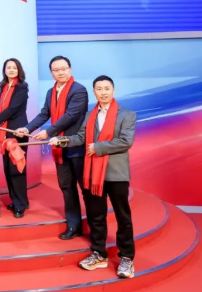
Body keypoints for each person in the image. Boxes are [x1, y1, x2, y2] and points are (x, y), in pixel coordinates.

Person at [49, 75, 137, 279]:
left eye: (107, 88)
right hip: (92, 174)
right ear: (94, 92)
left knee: (123, 217)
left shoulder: (127, 115)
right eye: (99, 89)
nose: (103, 92)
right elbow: (81, 138)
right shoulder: (89, 115)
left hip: (116, 174)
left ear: (113, 91)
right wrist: (61, 140)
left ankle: (126, 257)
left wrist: (97, 147)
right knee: (96, 215)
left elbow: (126, 141)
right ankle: (99, 253)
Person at [16, 56, 88, 240]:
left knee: (85, 188)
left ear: (70, 69)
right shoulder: (51, 92)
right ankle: (74, 225)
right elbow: (44, 114)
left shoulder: (79, 90)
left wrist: (48, 132)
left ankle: (95, 226)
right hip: (59, 147)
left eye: (64, 69)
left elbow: (70, 116)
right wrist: (27, 129)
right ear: (51, 73)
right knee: (67, 187)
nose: (60, 72)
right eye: (56, 70)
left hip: (76, 145)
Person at [0, 58, 29, 218]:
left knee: (16, 168)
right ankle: (17, 200)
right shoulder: (4, 86)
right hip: (4, 131)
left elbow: (13, 109)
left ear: (19, 70)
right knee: (8, 168)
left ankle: (20, 205)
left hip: (17, 131)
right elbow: (2, 108)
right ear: (4, 70)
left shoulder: (22, 87)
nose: (12, 70)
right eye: (9, 67)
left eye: (14, 67)